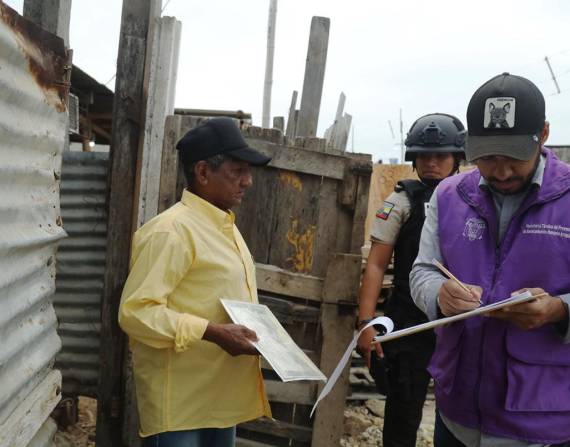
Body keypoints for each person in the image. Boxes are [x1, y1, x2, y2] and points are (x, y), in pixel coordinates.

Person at [410, 73, 570, 447]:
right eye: (487, 157)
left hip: (544, 424)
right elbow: (421, 271)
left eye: (513, 156)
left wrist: (558, 309)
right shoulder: (450, 195)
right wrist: (439, 295)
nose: (501, 171)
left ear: (543, 134)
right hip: (457, 415)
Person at [119, 118, 272, 447]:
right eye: (237, 170)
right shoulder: (171, 231)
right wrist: (212, 332)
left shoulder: (224, 227)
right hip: (181, 406)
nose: (248, 181)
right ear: (203, 173)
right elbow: (135, 313)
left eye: (248, 171)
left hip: (218, 400)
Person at [357, 113, 466, 447]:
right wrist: (366, 324)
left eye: (440, 156)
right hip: (408, 323)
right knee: (403, 411)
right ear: (413, 160)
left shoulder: (472, 200)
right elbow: (376, 264)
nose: (432, 163)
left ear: (457, 159)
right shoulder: (401, 201)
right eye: (424, 156)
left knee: (463, 413)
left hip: (460, 321)